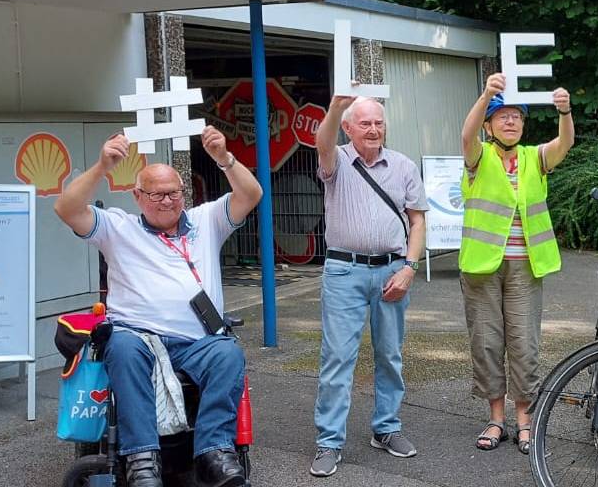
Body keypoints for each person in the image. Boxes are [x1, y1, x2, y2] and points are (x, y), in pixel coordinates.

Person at [53, 127, 261, 487]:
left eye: (174, 193)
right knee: (121, 346)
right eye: (157, 194)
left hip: (198, 340)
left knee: (228, 353)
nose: (167, 201)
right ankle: (141, 460)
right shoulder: (118, 227)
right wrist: (103, 166)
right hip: (139, 338)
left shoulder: (206, 220)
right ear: (137, 196)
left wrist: (224, 159)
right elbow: (66, 208)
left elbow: (251, 193)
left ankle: (214, 452)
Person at [307, 95, 428, 477]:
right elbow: (320, 143)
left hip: (393, 270)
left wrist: (410, 267)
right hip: (345, 271)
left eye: (378, 123)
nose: (374, 129)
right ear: (348, 128)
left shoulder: (404, 166)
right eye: (364, 124)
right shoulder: (336, 160)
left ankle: (387, 428)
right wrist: (333, 109)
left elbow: (418, 221)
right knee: (338, 359)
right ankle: (329, 442)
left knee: (390, 355)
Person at [457, 73, 574, 454]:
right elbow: (465, 135)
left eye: (517, 117)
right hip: (481, 268)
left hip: (526, 266)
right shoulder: (478, 157)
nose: (510, 121)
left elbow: (565, 142)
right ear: (489, 125)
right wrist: (485, 95)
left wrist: (565, 112)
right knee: (487, 343)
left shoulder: (533, 158)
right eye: (502, 116)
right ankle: (496, 419)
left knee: (525, 344)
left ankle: (525, 420)